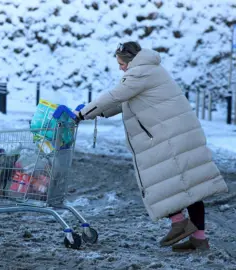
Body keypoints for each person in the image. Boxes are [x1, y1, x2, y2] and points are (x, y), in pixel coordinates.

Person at [74, 41, 228, 252]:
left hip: (168, 137)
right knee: (191, 186)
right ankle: (199, 240)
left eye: (121, 63)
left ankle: (179, 222)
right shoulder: (150, 70)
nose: (120, 68)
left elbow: (115, 95)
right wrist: (99, 112)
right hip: (178, 133)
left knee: (160, 182)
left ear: (129, 60)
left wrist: (82, 114)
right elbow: (124, 102)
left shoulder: (140, 73)